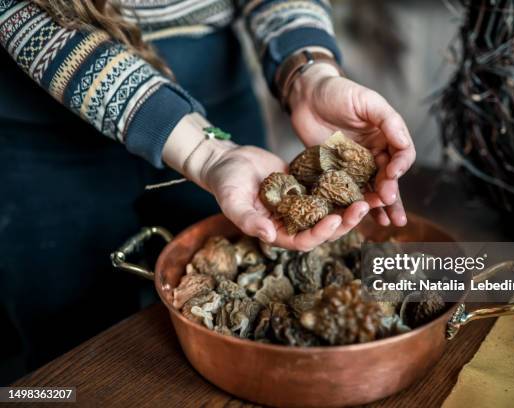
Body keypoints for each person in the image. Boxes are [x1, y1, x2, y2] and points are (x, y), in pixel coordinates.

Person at [0, 0, 414, 382]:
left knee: (214, 294)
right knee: (71, 346)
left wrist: (308, 70)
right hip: (42, 131)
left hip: (215, 100)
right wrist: (203, 150)